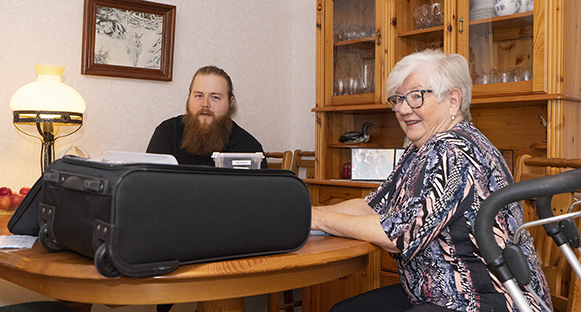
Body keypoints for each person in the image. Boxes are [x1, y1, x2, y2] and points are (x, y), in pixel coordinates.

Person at [311, 49, 552, 312]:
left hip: (483, 300)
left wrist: (318, 219)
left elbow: (398, 235)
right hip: (437, 295)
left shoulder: (453, 150)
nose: (402, 109)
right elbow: (371, 207)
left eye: (416, 97)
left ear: (452, 101)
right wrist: (306, 214)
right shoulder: (421, 149)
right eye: (398, 99)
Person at [147, 65, 267, 168]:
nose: (205, 104)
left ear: (230, 103)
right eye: (199, 96)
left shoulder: (250, 149)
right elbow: (148, 187)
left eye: (215, 97)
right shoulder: (167, 134)